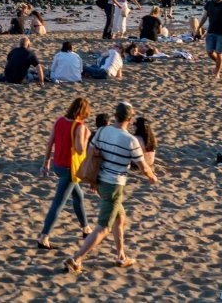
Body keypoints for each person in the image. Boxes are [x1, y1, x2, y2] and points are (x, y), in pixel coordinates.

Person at [64, 102, 158, 273]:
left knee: (120, 217)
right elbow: (143, 166)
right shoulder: (130, 140)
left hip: (100, 182)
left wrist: (92, 180)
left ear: (115, 115)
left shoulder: (102, 131)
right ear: (129, 119)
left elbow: (92, 154)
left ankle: (121, 256)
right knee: (104, 227)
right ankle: (76, 259)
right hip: (114, 185)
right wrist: (152, 176)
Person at [37, 97, 91, 250]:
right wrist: (87, 137)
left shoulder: (59, 121)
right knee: (58, 203)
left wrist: (46, 162)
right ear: (84, 112)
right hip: (70, 169)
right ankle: (43, 237)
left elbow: (50, 142)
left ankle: (86, 229)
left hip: (57, 165)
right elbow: (81, 149)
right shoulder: (80, 127)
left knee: (78, 196)